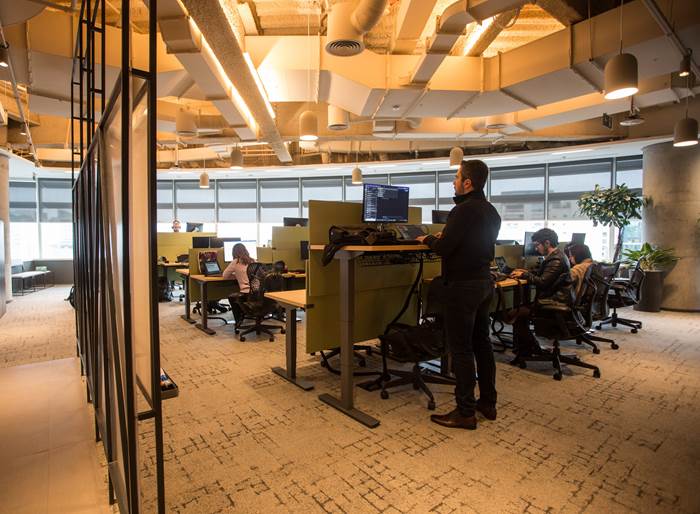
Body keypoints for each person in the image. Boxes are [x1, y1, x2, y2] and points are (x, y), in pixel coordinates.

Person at [415, 159, 501, 431]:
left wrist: (428, 239)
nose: (453, 182)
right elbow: (471, 242)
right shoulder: (491, 211)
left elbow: (444, 249)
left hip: (462, 286)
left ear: (468, 183)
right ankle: (487, 403)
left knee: (461, 349)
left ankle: (465, 412)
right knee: (482, 344)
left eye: (456, 177)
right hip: (484, 283)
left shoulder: (462, 210)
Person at [508, 228, 573, 357]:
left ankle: (530, 349)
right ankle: (528, 348)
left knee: (515, 313)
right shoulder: (557, 256)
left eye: (537, 245)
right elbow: (544, 275)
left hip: (552, 304)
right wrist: (526, 272)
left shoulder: (556, 260)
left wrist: (525, 275)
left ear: (547, 243)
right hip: (555, 300)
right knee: (521, 310)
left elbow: (542, 282)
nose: (536, 248)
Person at [223, 243, 254, 325]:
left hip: (246, 292)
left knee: (232, 297)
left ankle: (238, 321)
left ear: (234, 253)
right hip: (257, 292)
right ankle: (246, 313)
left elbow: (225, 276)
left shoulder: (236, 262)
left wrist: (236, 275)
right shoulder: (253, 261)